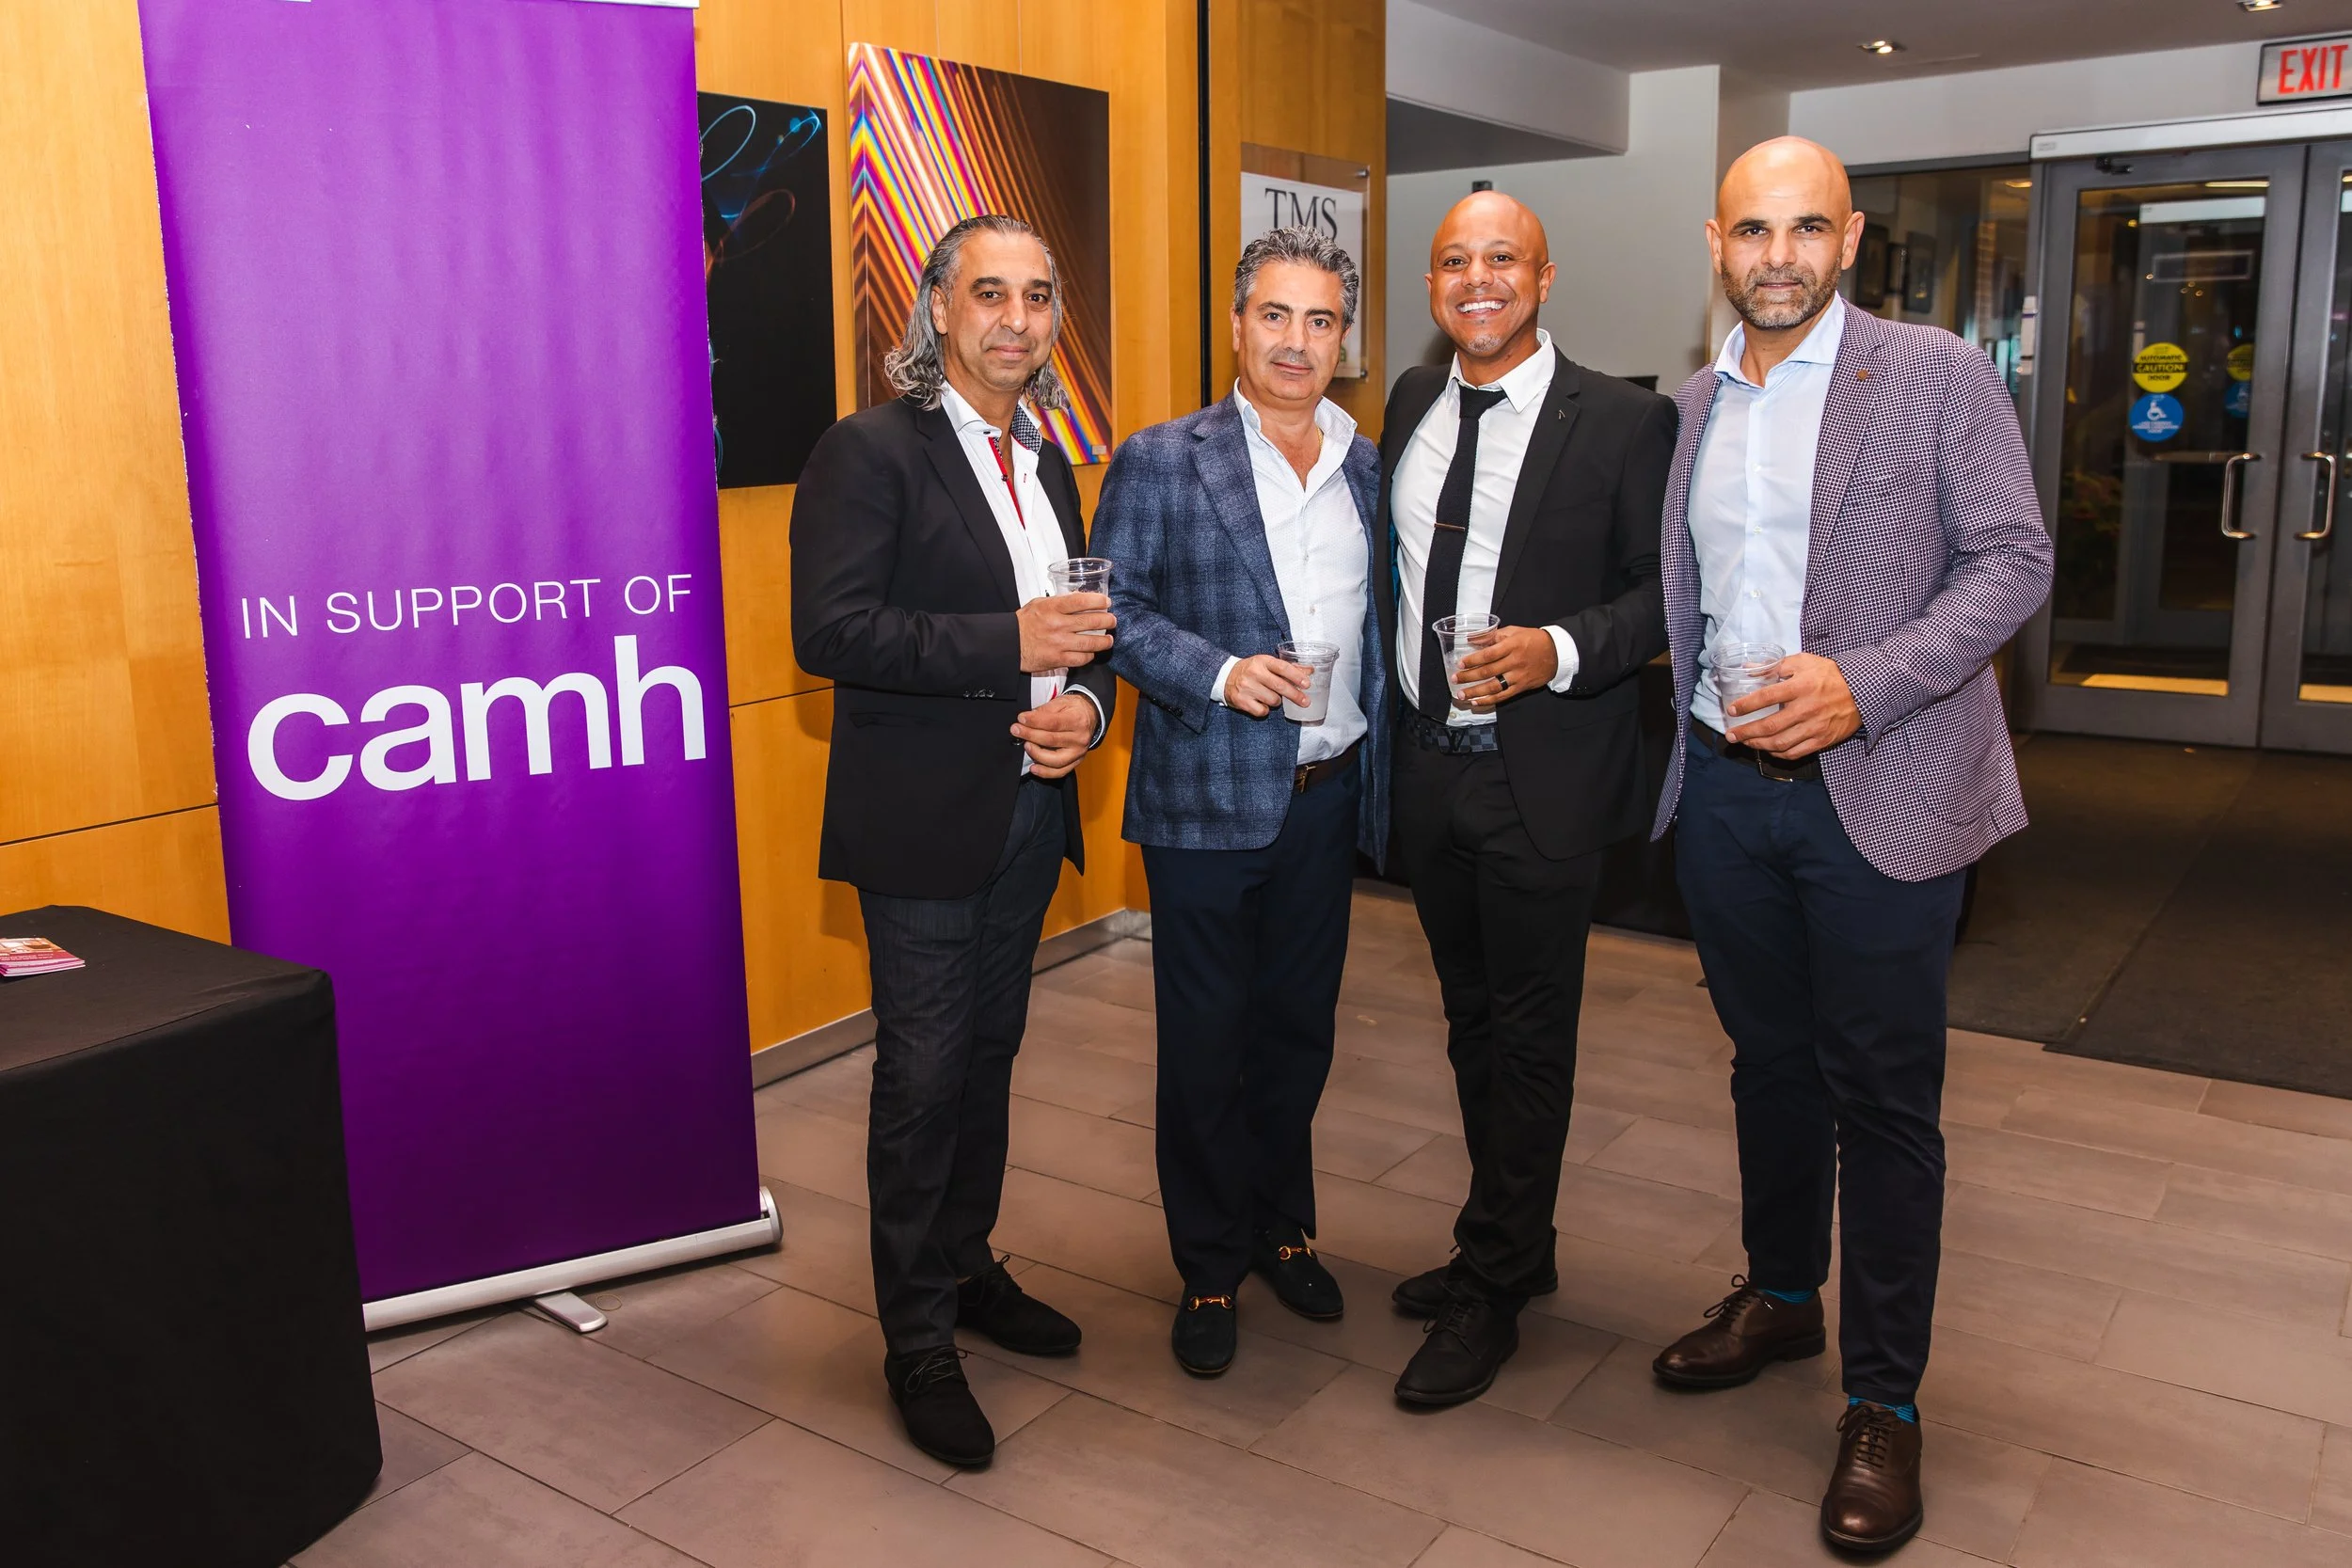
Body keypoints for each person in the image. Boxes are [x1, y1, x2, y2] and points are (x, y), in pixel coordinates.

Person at [1646, 138, 2052, 1554]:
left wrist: (1863, 681)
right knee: (1769, 1063)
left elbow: (2014, 557)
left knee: (1884, 1096)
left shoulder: (1932, 372)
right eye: (1754, 229)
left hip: (1884, 785)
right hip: (1727, 793)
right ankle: (1778, 1290)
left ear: (1851, 235)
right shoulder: (1695, 401)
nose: (1779, 254)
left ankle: (1885, 1399)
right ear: (1718, 240)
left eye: (1806, 227)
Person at [789, 214, 1118, 1469]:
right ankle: (916, 1335)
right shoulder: (869, 452)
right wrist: (1011, 645)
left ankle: (968, 1265)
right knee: (922, 1079)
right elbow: (834, 631)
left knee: (987, 1057)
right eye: (991, 292)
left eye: (1039, 296)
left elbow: (1081, 633)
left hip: (1030, 808)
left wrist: (1083, 706)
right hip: (923, 823)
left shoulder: (1047, 461)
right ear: (934, 308)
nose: (1018, 318)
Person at [1375, 192, 1673, 1405]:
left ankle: (1491, 1283)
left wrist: (1555, 644)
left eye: (1502, 259)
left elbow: (1667, 595)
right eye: (1455, 260)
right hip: (1428, 767)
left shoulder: (1624, 419)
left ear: (1544, 277)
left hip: (1540, 772)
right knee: (1470, 1019)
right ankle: (1516, 1235)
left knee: (1531, 1033)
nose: (1477, 279)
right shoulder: (1406, 403)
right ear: (1433, 283)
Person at [1089, 227, 1387, 1378]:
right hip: (1206, 790)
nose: (1297, 342)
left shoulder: (1369, 462)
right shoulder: (1165, 458)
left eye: (1320, 321)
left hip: (1327, 793)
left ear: (1342, 338)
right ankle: (1208, 1261)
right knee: (1206, 1044)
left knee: (1296, 1037)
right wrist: (1220, 672)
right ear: (1236, 325)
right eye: (1276, 316)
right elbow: (1115, 609)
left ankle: (1279, 1224)